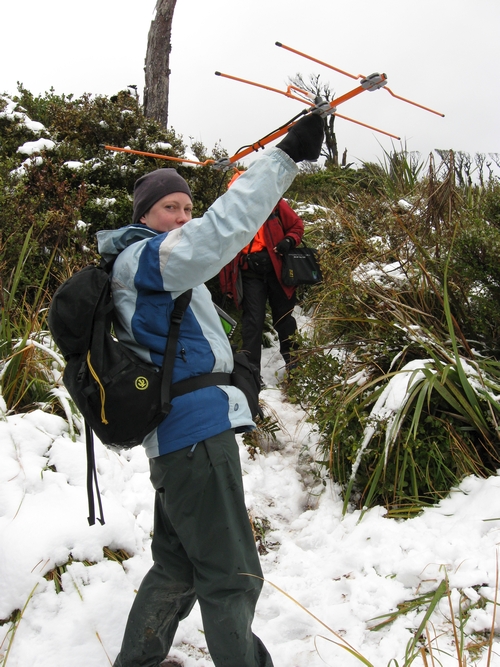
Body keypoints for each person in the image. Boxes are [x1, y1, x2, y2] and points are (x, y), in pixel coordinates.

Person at [96, 112, 324, 667]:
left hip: (179, 438)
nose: (181, 216)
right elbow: (223, 231)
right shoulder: (149, 257)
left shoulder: (143, 266)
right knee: (232, 576)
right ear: (144, 216)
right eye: (168, 208)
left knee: (177, 566)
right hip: (195, 439)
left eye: (185, 206)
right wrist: (283, 158)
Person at [219, 181, 305, 374]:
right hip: (249, 274)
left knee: (284, 319)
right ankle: (251, 373)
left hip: (278, 271)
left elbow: (296, 226)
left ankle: (295, 367)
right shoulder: (229, 213)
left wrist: (288, 241)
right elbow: (225, 252)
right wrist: (227, 287)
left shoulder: (273, 202)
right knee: (252, 322)